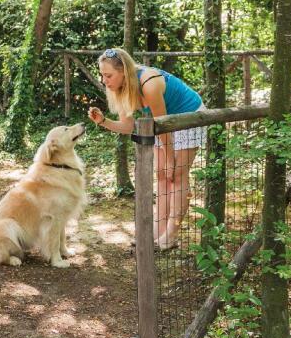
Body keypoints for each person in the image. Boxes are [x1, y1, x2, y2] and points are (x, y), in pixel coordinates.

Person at [87, 47, 204, 250]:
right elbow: (128, 126)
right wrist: (103, 121)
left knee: (176, 175)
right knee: (162, 175)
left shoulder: (148, 83)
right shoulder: (121, 89)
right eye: (102, 75)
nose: (104, 81)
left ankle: (170, 236)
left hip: (188, 116)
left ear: (124, 71)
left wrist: (170, 159)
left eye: (108, 75)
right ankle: (156, 232)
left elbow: (165, 125)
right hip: (163, 124)